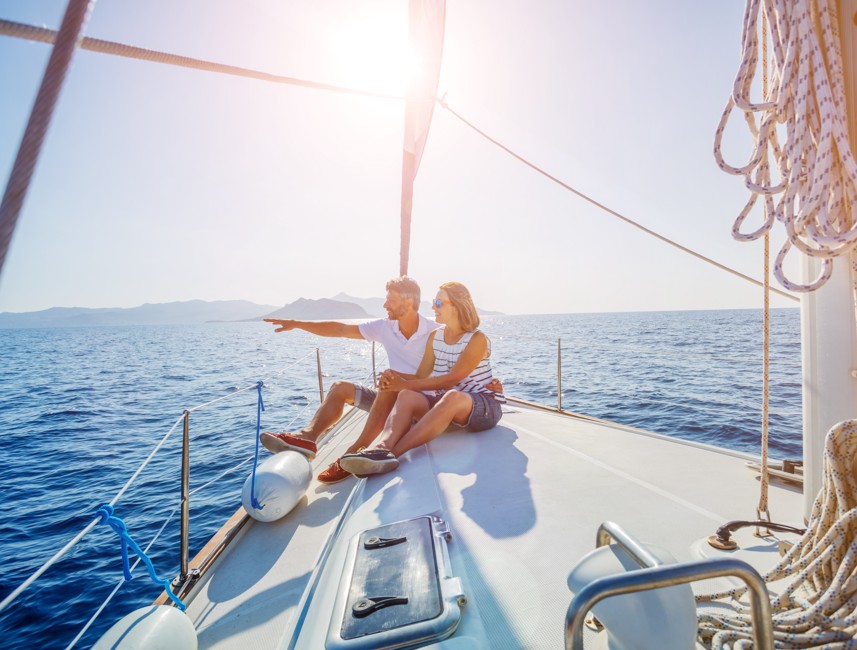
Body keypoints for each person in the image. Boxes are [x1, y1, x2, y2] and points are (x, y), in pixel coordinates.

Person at [261, 276, 440, 483]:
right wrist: (298, 324)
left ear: (408, 302)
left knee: (389, 384)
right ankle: (307, 437)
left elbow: (453, 372)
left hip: (418, 407)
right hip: (389, 399)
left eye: (390, 299)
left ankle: (354, 452)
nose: (385, 305)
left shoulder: (435, 331)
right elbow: (341, 330)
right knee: (340, 388)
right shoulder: (386, 327)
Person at [339, 281, 504, 476]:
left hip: (483, 407)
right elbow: (420, 376)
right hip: (446, 408)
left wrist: (404, 383)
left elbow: (452, 379)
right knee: (407, 394)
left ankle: (391, 454)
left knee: (452, 396)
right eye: (434, 302)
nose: (433, 307)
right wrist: (395, 378)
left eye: (439, 303)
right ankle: (382, 447)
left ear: (457, 306)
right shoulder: (435, 336)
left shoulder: (477, 339)